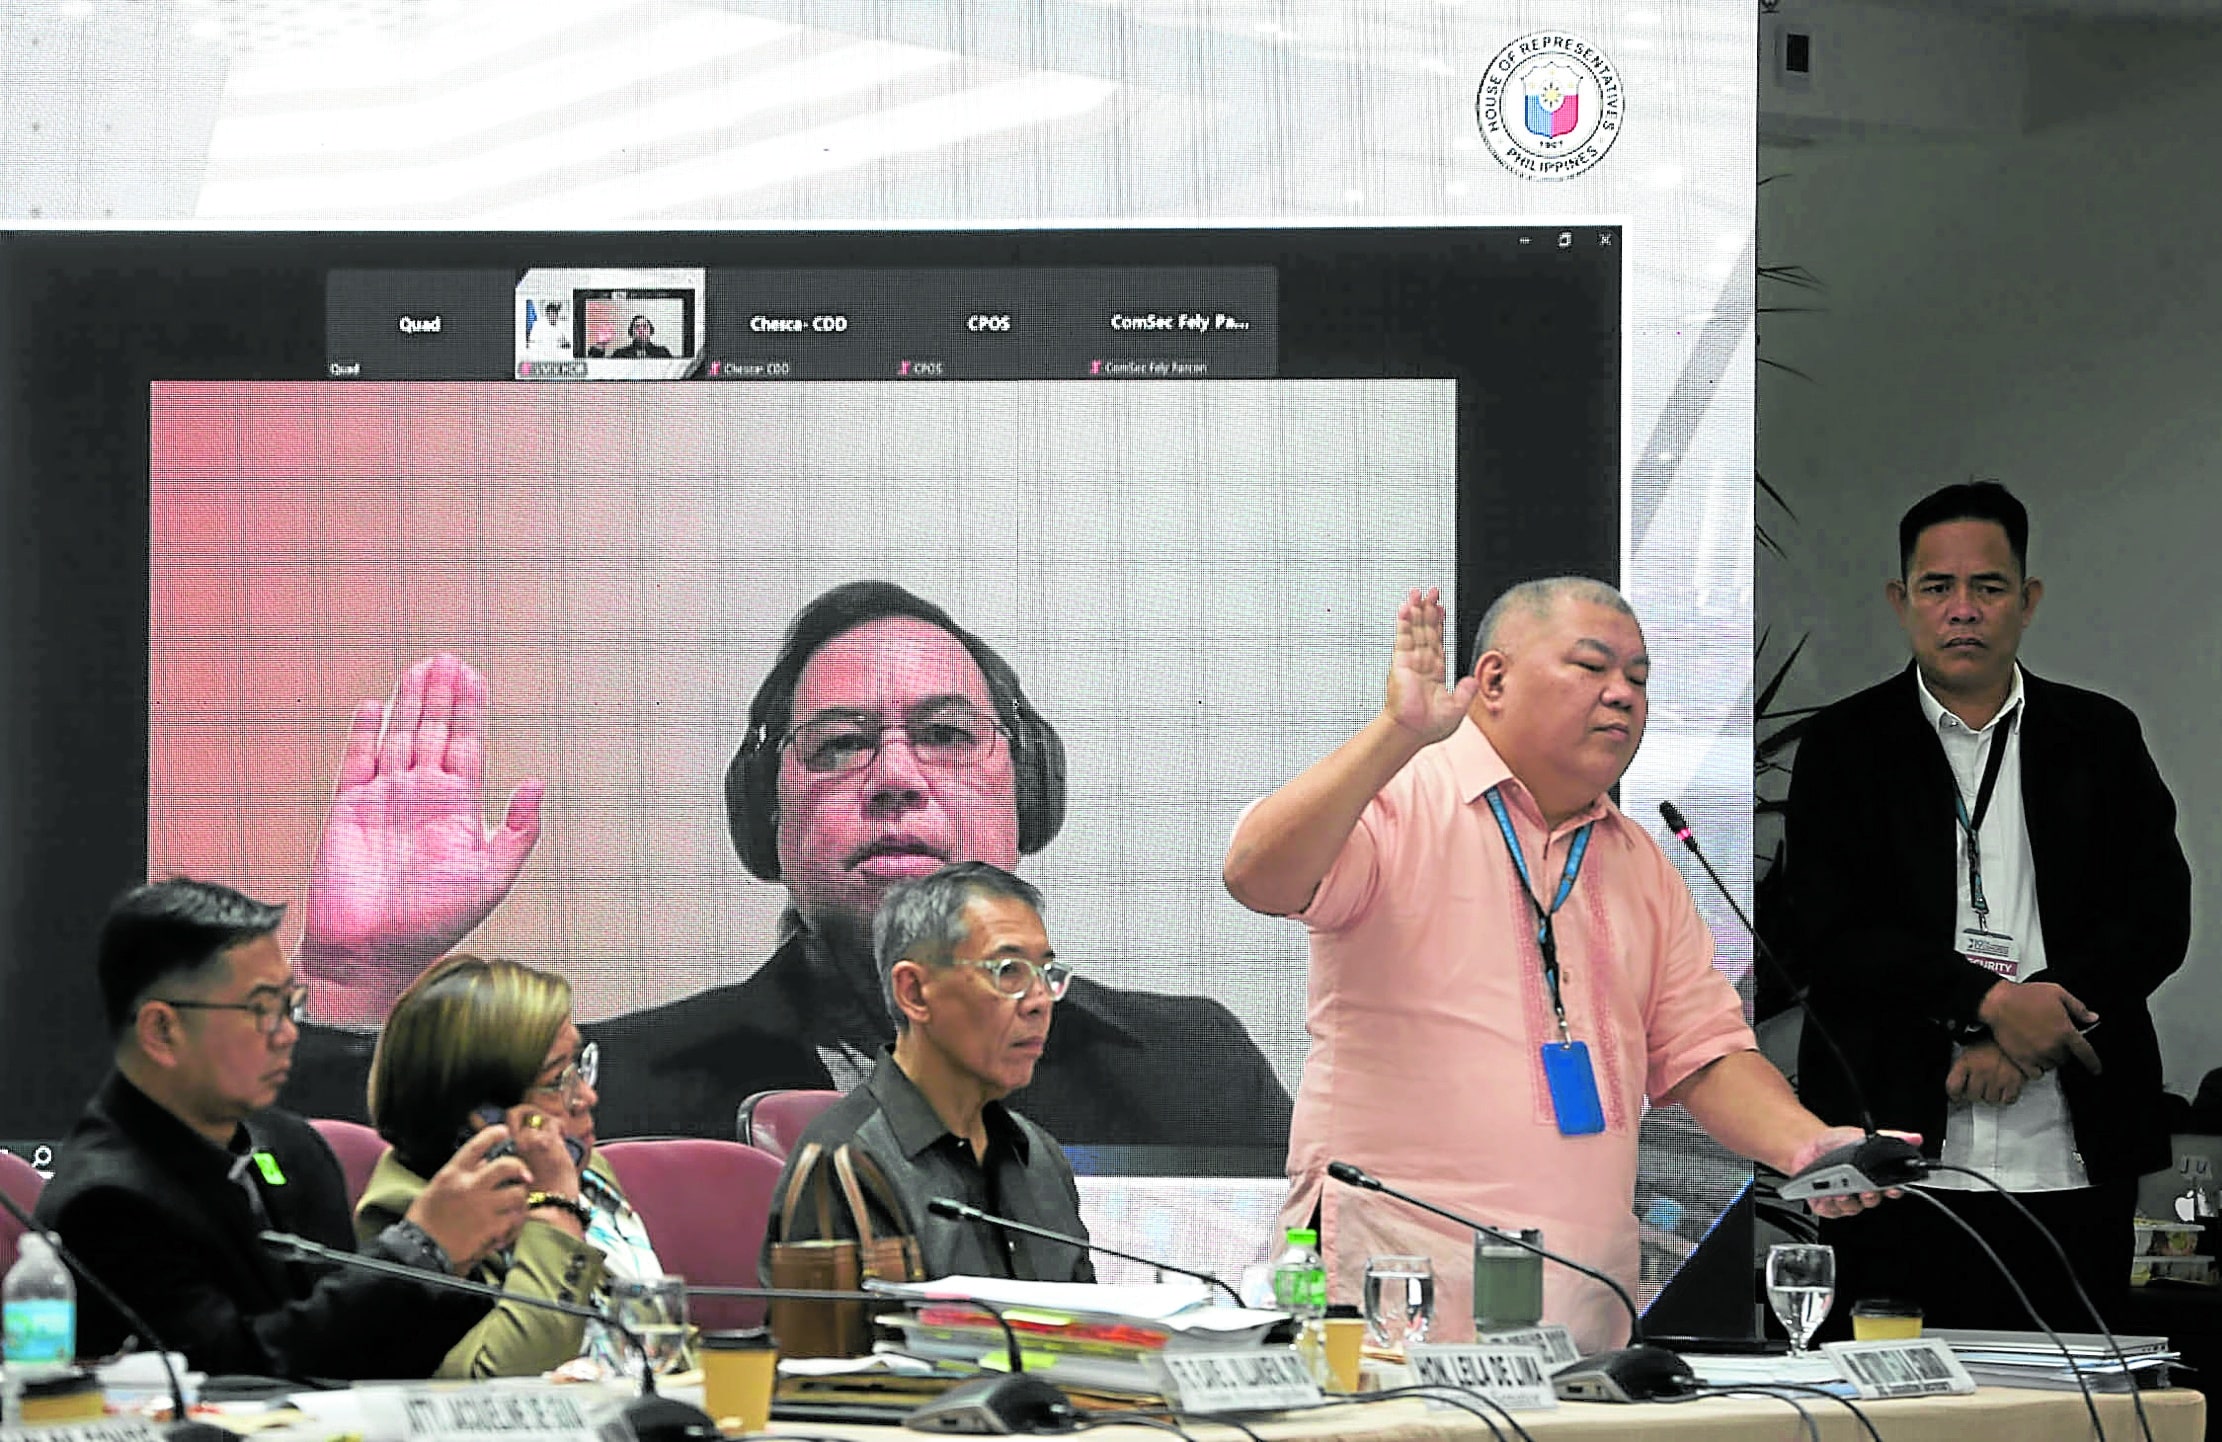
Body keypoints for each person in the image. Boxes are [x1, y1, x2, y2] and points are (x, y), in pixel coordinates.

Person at [282, 581, 1291, 1150]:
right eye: (840, 743)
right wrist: (354, 975)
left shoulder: (1189, 1069)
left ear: (1026, 791)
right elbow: (351, 1253)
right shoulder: (612, 1082)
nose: (894, 775)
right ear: (766, 815)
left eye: (943, 733)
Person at [1223, 579, 1897, 1351]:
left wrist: (1806, 1145)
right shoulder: (1402, 797)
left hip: (1580, 1315)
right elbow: (1255, 876)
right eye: (1592, 667)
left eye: (1639, 679)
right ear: (1496, 680)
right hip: (1395, 1303)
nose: (1623, 696)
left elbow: (1706, 1054)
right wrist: (1392, 735)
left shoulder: (1641, 861)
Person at [1785, 481, 2189, 1334]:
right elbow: (1832, 930)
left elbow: (2156, 914)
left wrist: (2031, 1026)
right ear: (1903, 603)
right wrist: (1987, 1006)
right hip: (1894, 1150)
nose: (1962, 611)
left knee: (2069, 1407)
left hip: (2071, 1153)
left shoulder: (2099, 736)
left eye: (1989, 587)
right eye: (1938, 588)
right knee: (1893, 1405)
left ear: (2028, 600)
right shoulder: (1845, 746)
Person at [33, 880, 524, 1380]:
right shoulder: (106, 1201)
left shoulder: (292, 1148)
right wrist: (423, 1249)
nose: (288, 1033)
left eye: (290, 1005)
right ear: (163, 1030)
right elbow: (233, 1374)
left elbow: (351, 1348)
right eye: (261, 1009)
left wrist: (454, 1261)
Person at [763, 862, 1094, 1282]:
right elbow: (826, 1347)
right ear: (914, 992)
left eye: (1047, 974)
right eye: (1008, 971)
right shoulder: (841, 1165)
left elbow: (1089, 1327)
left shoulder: (1040, 1156)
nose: (1040, 1001)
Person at [357, 953, 667, 1378]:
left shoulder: (591, 1177)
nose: (586, 1097)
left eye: (580, 1067)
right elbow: (496, 1382)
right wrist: (556, 1209)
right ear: (485, 1118)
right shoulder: (408, 1219)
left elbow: (657, 1350)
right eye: (558, 1080)